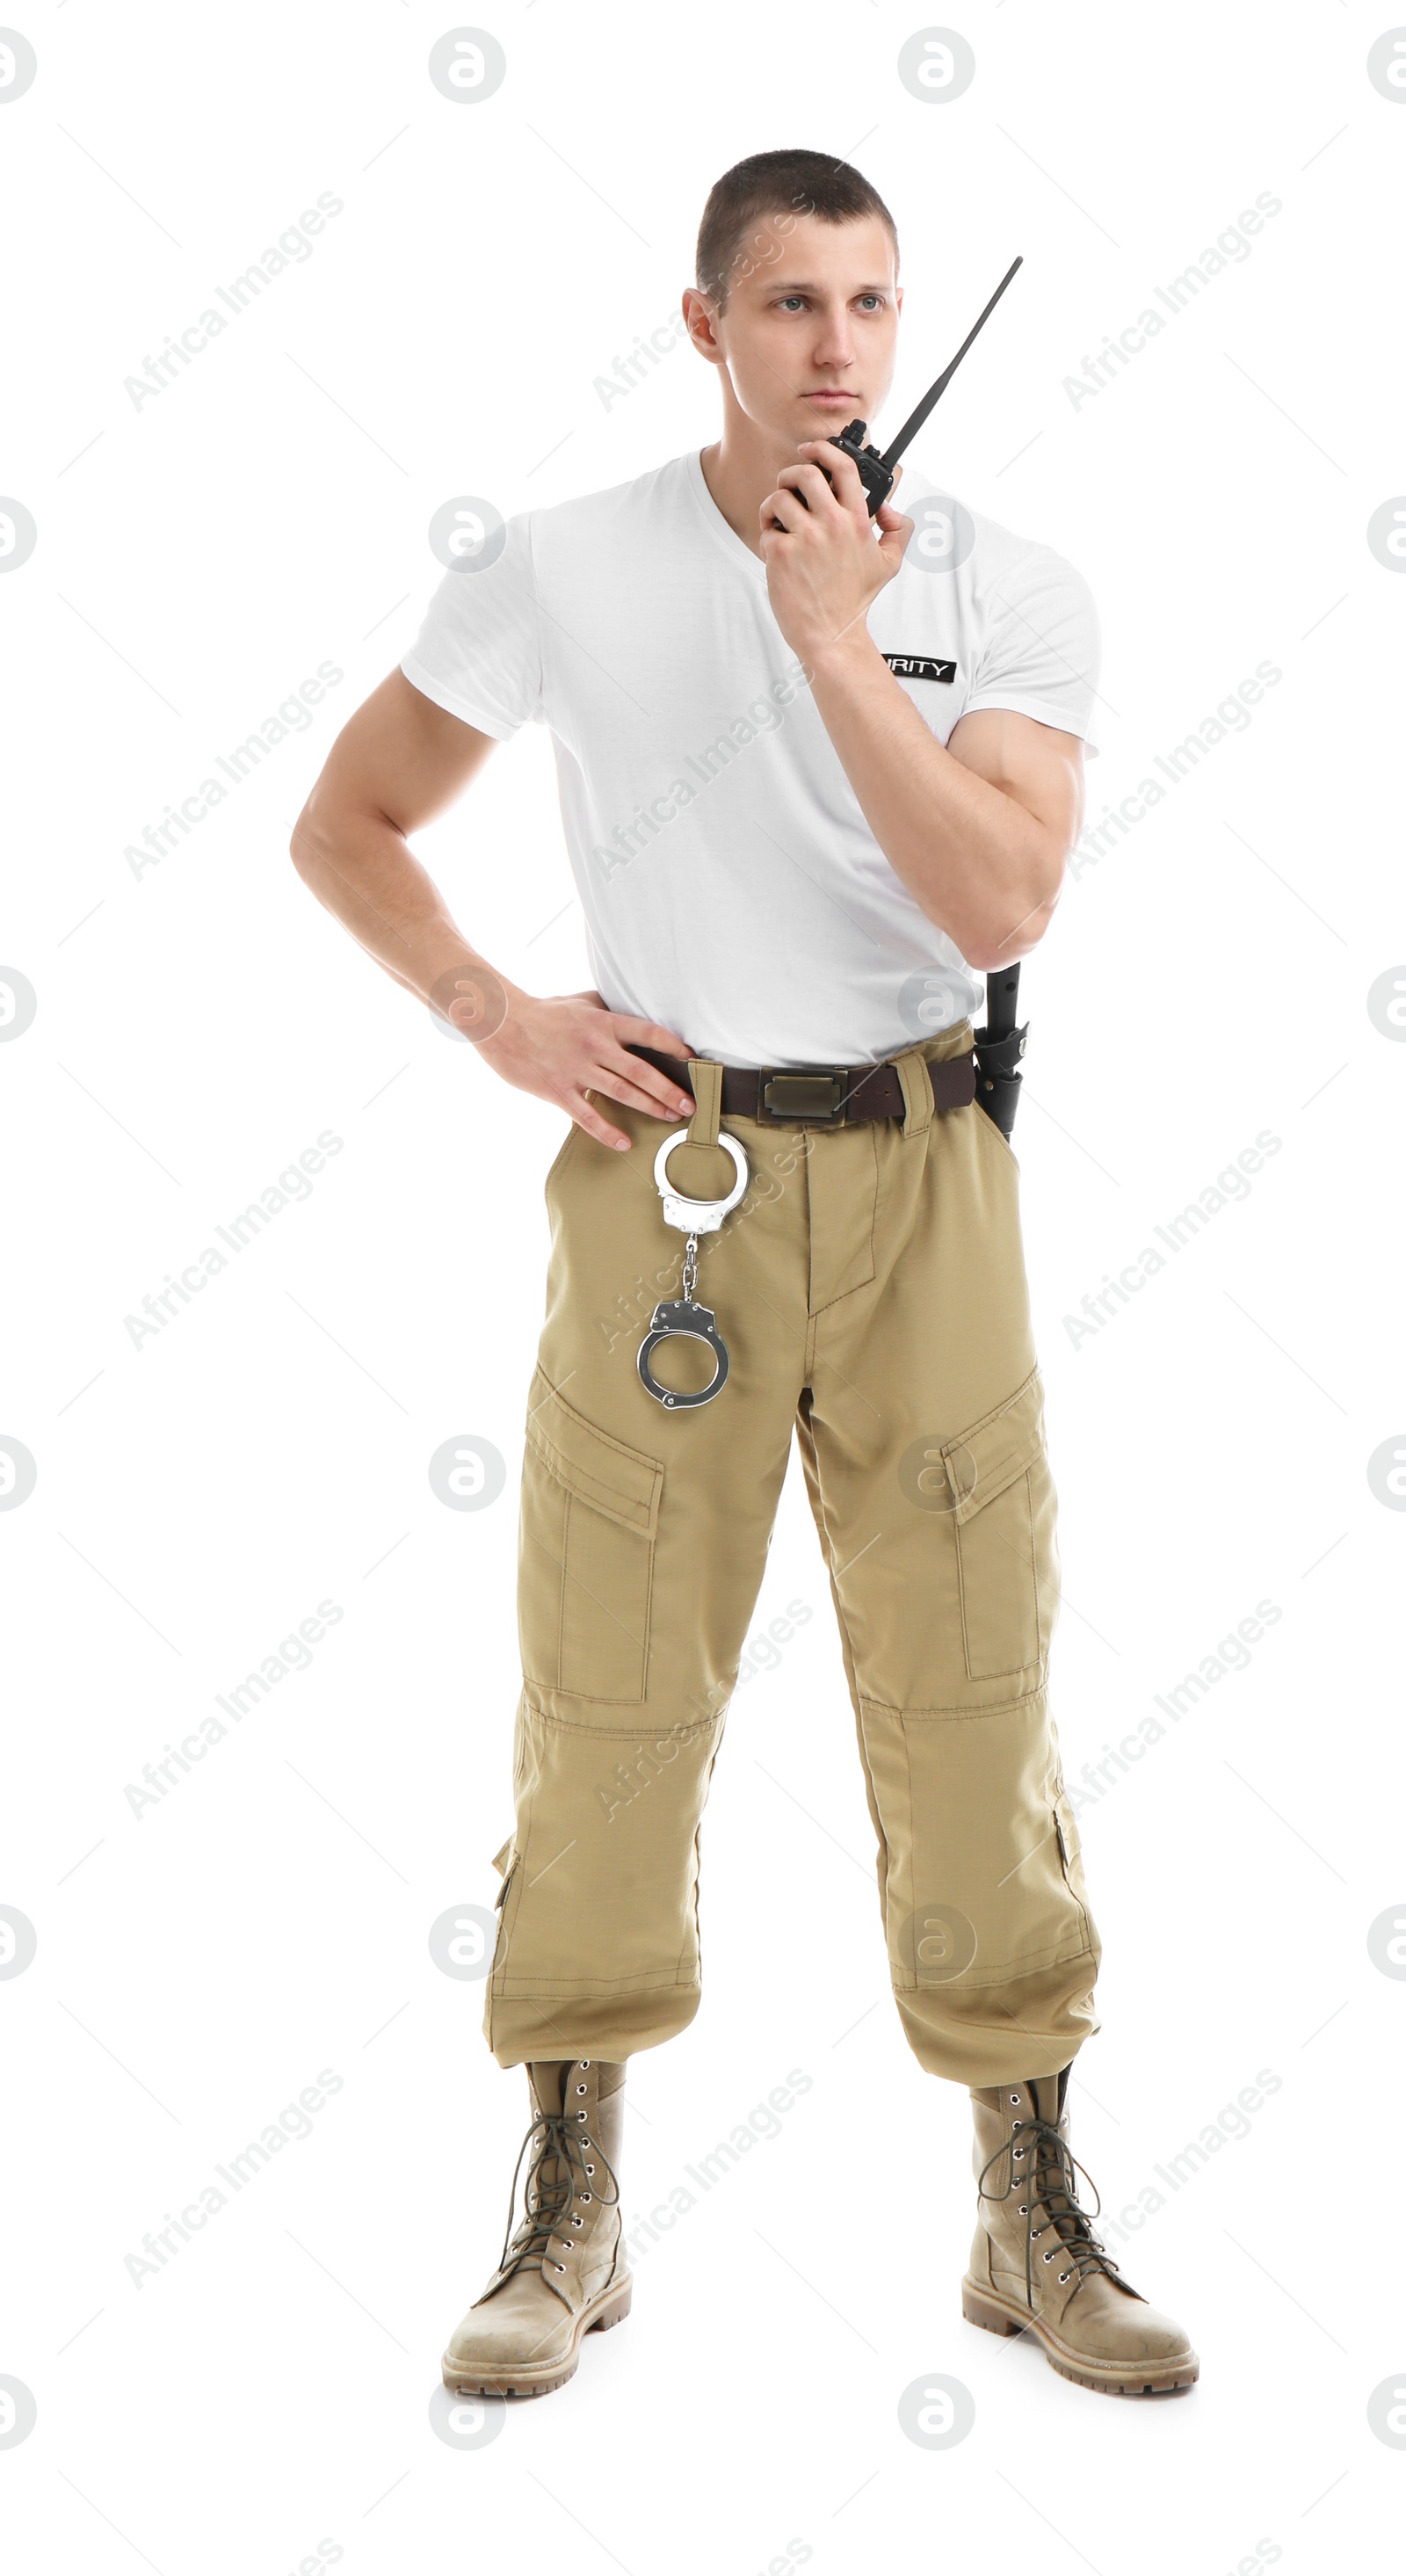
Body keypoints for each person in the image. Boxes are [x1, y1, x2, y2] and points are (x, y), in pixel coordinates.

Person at [291, 148, 1198, 2402]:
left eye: (867, 304)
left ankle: (1024, 2194)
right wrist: (498, 1018)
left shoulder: (1005, 584)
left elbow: (997, 904)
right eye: (784, 303)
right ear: (701, 327)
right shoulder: (566, 566)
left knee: (972, 1687)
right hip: (662, 1174)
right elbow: (348, 823)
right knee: (607, 1691)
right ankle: (571, 2200)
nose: (831, 348)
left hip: (923, 1181)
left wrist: (827, 639)